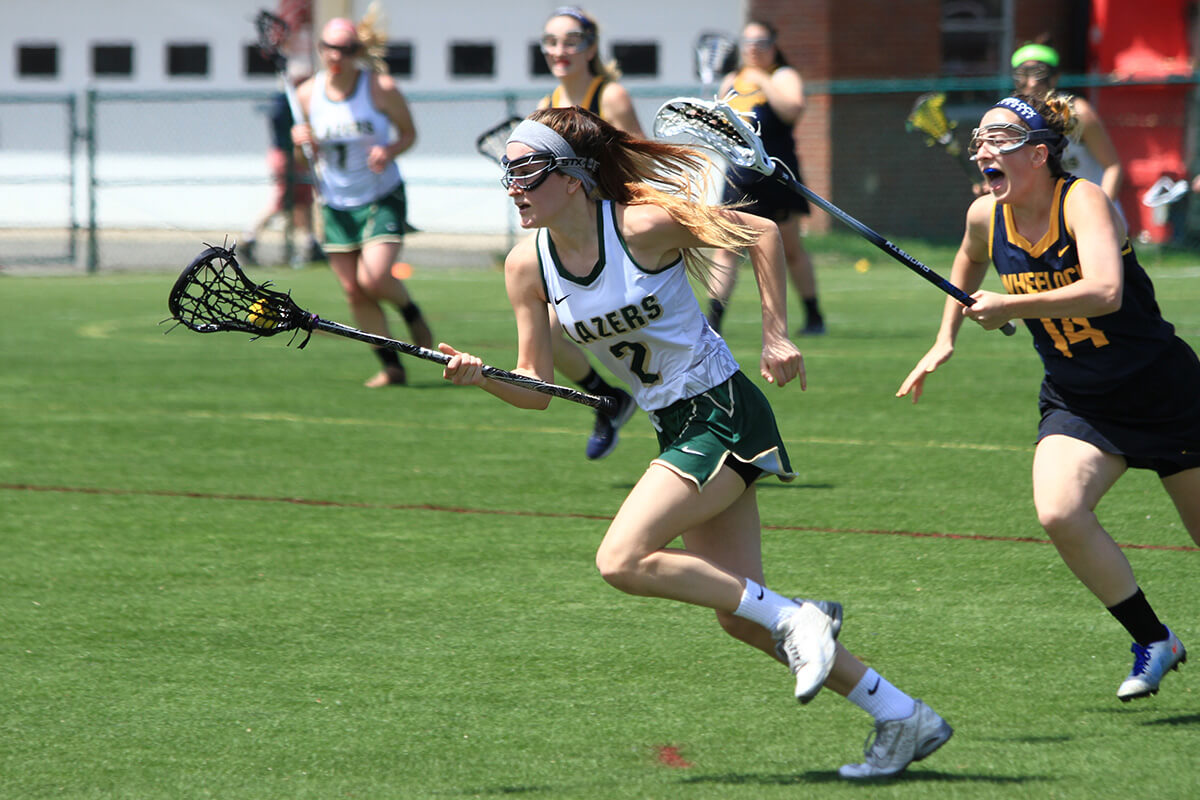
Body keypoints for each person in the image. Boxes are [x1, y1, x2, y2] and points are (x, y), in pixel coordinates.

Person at [441, 106, 953, 779]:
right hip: (674, 425)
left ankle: (802, 618)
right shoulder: (525, 267)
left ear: (572, 177)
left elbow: (760, 231)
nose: (514, 188)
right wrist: (482, 378)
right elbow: (537, 387)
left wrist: (774, 333)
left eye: (527, 173)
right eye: (508, 175)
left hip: (720, 410)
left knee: (620, 559)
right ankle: (900, 715)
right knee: (741, 616)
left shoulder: (641, 225)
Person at [898, 94, 1196, 701]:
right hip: (1078, 396)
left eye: (998, 139)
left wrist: (1013, 305)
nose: (983, 149)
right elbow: (968, 258)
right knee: (1059, 512)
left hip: (1162, 389)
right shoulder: (987, 215)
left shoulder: (1082, 200)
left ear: (1038, 153)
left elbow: (1107, 290)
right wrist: (944, 337)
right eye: (979, 138)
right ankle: (1153, 639)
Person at [291, 11, 433, 387]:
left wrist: (389, 150)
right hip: (335, 202)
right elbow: (302, 160)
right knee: (353, 290)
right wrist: (300, 144)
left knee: (375, 277)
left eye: (345, 48)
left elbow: (409, 133)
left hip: (380, 194)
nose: (337, 56)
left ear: (356, 50)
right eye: (330, 48)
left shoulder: (379, 88)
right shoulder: (307, 94)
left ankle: (410, 310)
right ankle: (391, 366)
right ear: (321, 50)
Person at [536, 6, 641, 459]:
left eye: (571, 40)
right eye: (551, 41)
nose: (560, 50)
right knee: (548, 330)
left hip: (619, 234)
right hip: (575, 236)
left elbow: (643, 163)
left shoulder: (610, 96)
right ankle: (608, 398)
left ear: (591, 47)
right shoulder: (547, 106)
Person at [705, 20, 825, 337]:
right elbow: (720, 128)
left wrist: (761, 80)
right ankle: (713, 322)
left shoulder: (783, 76)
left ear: (774, 45)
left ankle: (814, 316)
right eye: (749, 43)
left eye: (762, 42)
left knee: (790, 248)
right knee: (727, 248)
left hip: (776, 175)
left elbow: (792, 110)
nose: (754, 49)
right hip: (739, 178)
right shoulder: (732, 80)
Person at [1009, 41, 1124, 203]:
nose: (1031, 83)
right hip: (1053, 221)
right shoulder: (1013, 118)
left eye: (1039, 75)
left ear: (1055, 78)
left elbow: (1113, 167)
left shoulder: (1078, 113)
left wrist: (1102, 210)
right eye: (1023, 75)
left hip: (1092, 213)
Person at [242, 70, 325, 267]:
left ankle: (309, 244)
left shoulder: (301, 101)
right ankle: (248, 239)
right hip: (286, 156)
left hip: (296, 156)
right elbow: (289, 131)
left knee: (304, 200)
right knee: (282, 201)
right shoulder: (284, 102)